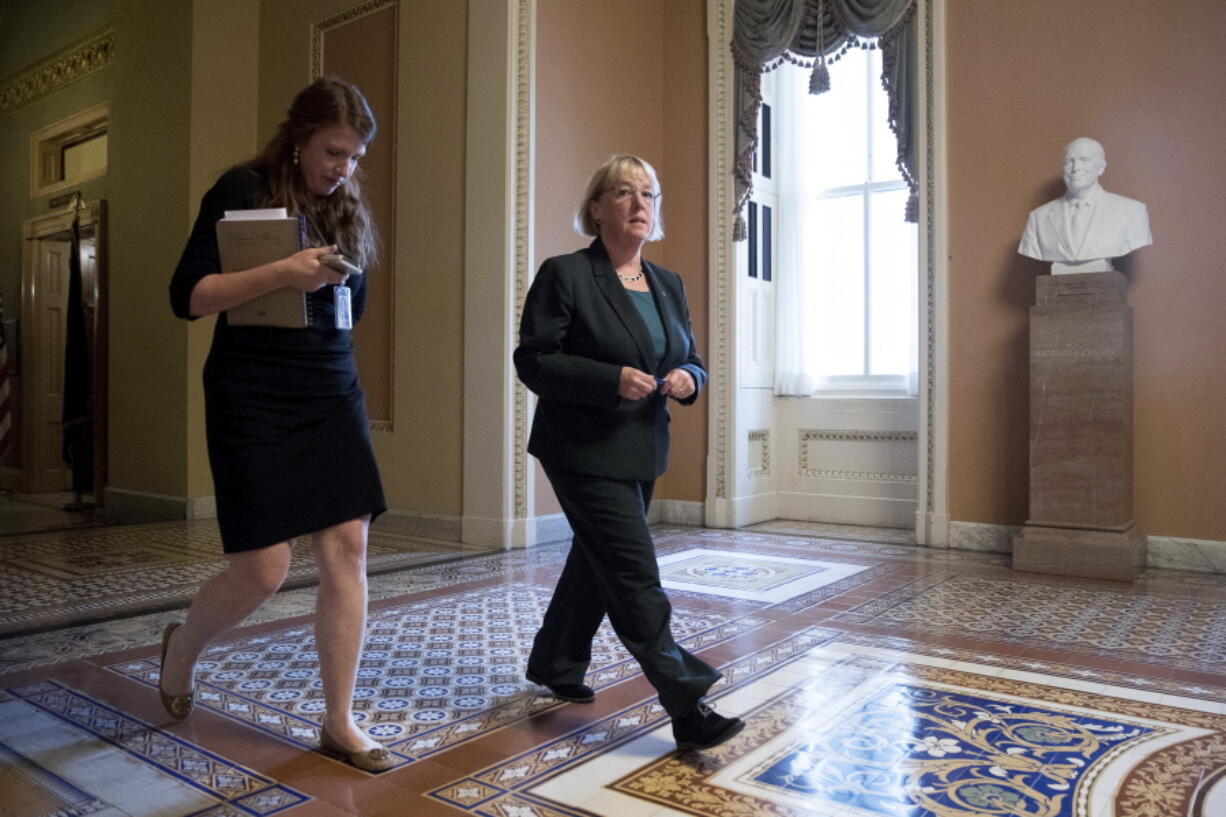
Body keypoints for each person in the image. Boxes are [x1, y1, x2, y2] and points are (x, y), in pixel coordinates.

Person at [165, 77, 391, 771]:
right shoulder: (241, 188)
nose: (341, 168)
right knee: (263, 568)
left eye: (353, 157)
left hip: (328, 391)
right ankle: (183, 648)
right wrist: (283, 271)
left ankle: (338, 721)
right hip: (251, 393)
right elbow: (190, 296)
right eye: (332, 151)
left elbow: (350, 307)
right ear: (298, 138)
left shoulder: (349, 211)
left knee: (346, 550)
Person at [514, 155, 745, 751]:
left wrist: (692, 377)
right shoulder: (565, 274)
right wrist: (608, 378)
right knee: (633, 573)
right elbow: (534, 360)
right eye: (624, 192)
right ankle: (687, 702)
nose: (640, 203)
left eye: (649, 193)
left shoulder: (667, 283)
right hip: (581, 449)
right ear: (596, 208)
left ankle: (555, 663)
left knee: (598, 560)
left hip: (641, 448)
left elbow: (689, 355)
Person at [1018, 137, 1152, 272]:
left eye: (1085, 160)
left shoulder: (1132, 211)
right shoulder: (1038, 217)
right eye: (1069, 161)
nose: (1076, 168)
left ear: (1101, 167)